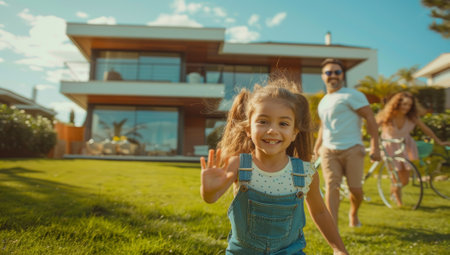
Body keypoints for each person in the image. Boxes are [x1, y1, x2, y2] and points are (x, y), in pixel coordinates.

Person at [200, 79, 348, 254]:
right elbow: (211, 198)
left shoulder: (305, 173)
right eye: (263, 121)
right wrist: (208, 190)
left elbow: (321, 212)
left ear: (294, 133)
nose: (272, 130)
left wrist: (339, 248)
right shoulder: (239, 164)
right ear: (248, 129)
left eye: (283, 124)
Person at [313, 58, 381, 228]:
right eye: (328, 72)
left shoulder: (352, 95)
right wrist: (317, 147)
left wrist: (375, 145)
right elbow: (324, 126)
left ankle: (353, 212)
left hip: (352, 149)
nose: (333, 75)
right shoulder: (323, 101)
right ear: (323, 76)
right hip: (329, 150)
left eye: (337, 72)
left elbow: (370, 118)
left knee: (355, 190)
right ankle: (332, 227)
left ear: (342, 75)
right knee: (331, 187)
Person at [376, 91, 450, 206]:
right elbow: (373, 128)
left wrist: (439, 141)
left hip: (405, 146)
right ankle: (399, 203)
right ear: (397, 104)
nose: (407, 107)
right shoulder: (387, 116)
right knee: (395, 177)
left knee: (404, 180)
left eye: (409, 105)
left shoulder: (412, 118)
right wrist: (373, 144)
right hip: (390, 147)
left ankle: (394, 192)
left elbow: (427, 130)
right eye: (404, 104)